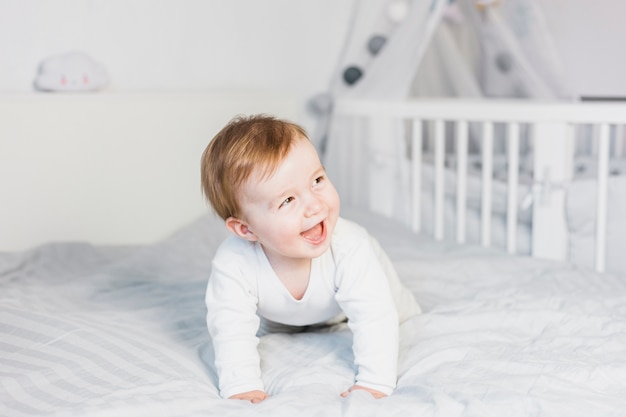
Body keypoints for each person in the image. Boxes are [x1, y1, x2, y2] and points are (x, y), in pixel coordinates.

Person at [200, 114, 420, 403]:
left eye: (317, 180)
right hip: (282, 315)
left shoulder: (349, 247)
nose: (315, 205)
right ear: (246, 229)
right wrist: (241, 385)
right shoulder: (234, 263)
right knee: (279, 326)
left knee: (397, 311)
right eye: (287, 200)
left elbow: (374, 316)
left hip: (354, 297)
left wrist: (374, 382)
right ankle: (296, 322)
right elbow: (230, 327)